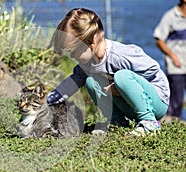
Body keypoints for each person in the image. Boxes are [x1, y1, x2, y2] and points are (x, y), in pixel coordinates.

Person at [46, 8, 170, 136]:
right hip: (129, 105)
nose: (72, 56)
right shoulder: (87, 64)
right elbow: (72, 83)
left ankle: (149, 122)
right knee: (91, 81)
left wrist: (120, 86)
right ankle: (117, 122)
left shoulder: (119, 55)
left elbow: (153, 69)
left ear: (91, 43)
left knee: (122, 77)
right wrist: (48, 101)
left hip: (155, 102)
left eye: (74, 52)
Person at [153, 0, 186, 122]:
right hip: (177, 66)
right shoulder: (170, 16)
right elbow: (159, 39)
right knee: (176, 101)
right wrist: (173, 56)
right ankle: (172, 126)